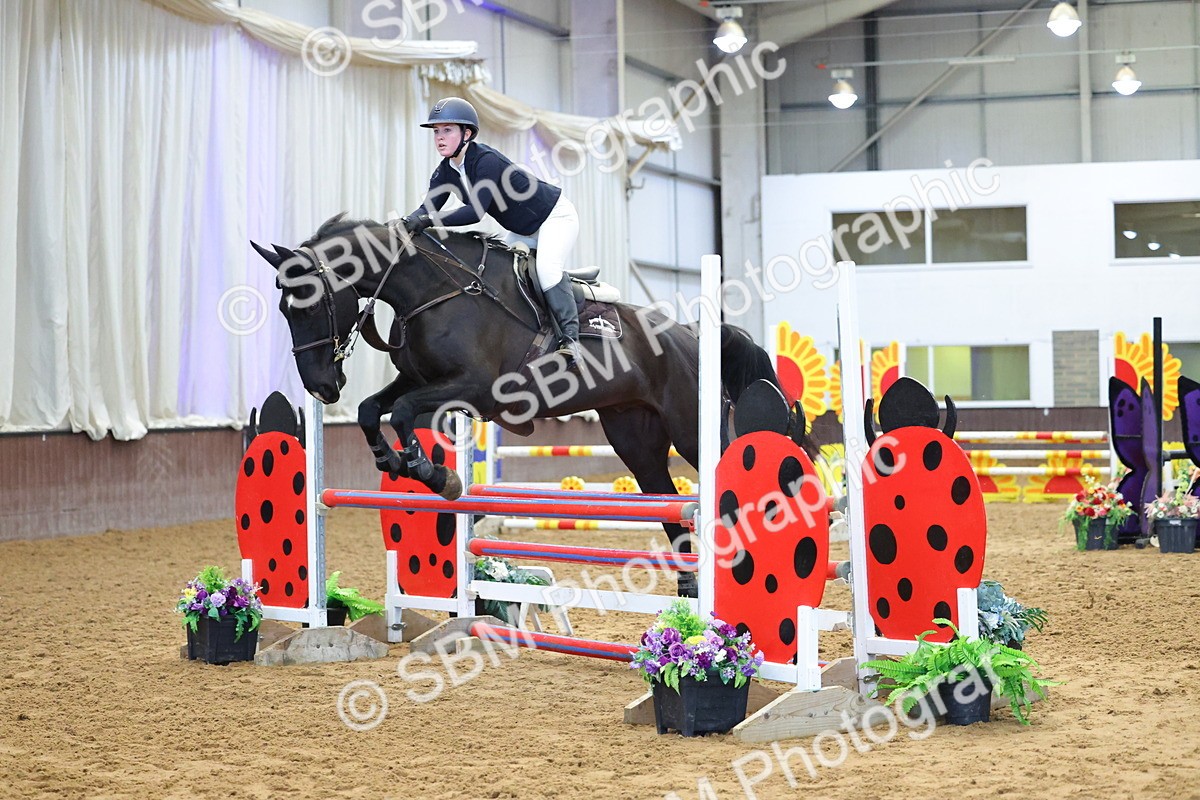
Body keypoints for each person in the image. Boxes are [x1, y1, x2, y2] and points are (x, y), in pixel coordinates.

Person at [402, 97, 583, 365]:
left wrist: (428, 221)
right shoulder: (445, 172)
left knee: (547, 269)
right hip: (522, 231)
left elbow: (475, 212)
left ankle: (571, 340)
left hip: (555, 217)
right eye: (436, 132)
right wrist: (402, 225)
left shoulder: (485, 160)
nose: (439, 138)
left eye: (447, 130)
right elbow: (425, 208)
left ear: (467, 134)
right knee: (499, 274)